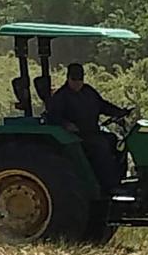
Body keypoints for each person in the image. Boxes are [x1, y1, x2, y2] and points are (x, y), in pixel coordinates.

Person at [46, 63, 129, 191]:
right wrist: (66, 124)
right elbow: (52, 117)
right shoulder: (60, 97)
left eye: (80, 80)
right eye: (74, 80)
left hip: (93, 131)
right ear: (68, 78)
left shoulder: (88, 92)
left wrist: (119, 112)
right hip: (76, 136)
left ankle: (119, 178)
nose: (77, 84)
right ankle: (108, 185)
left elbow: (103, 105)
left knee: (116, 141)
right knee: (101, 146)